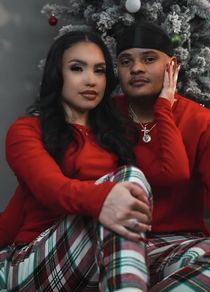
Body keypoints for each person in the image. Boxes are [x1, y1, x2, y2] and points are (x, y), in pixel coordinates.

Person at [0, 29, 189, 292]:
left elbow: (174, 173)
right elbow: (52, 189)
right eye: (78, 68)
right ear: (58, 74)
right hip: (35, 261)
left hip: (101, 259)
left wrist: (164, 105)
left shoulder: (116, 135)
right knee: (128, 181)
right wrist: (105, 198)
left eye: (99, 71)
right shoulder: (27, 130)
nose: (91, 80)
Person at [114, 21, 210, 291]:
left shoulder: (206, 125)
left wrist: (163, 109)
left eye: (149, 59)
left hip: (177, 245)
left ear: (172, 66)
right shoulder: (101, 118)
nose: (136, 68)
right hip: (112, 243)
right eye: (126, 61)